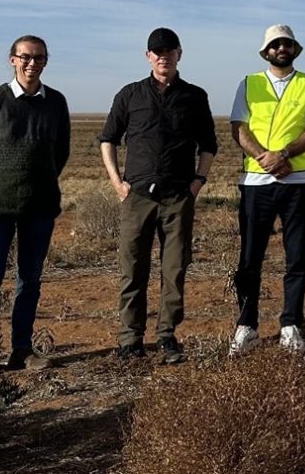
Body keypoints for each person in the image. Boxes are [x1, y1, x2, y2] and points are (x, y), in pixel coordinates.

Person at [98, 27, 217, 364]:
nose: (163, 56)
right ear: (147, 56)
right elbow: (108, 139)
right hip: (136, 196)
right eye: (157, 51)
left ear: (180, 54)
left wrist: (198, 182)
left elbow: (208, 145)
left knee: (174, 267)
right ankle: (130, 339)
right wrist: (116, 183)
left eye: (169, 50)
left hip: (178, 196)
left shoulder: (194, 96)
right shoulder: (130, 95)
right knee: (132, 267)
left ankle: (167, 336)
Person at [0, 35, 70, 370]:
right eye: (25, 57)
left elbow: (60, 153)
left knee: (30, 279)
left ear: (46, 62)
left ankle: (21, 350)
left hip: (40, 206)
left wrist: (41, 181)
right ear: (12, 60)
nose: (31, 63)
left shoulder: (56, 102)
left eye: (38, 58)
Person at [228, 24, 305, 356]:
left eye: (287, 43)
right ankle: (247, 326)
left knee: (297, 257)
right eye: (275, 44)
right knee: (250, 258)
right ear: (265, 51)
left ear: (294, 49)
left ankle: (291, 324)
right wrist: (263, 158)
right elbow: (238, 127)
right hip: (257, 183)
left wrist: (284, 155)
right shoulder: (249, 83)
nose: (281, 48)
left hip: (298, 182)